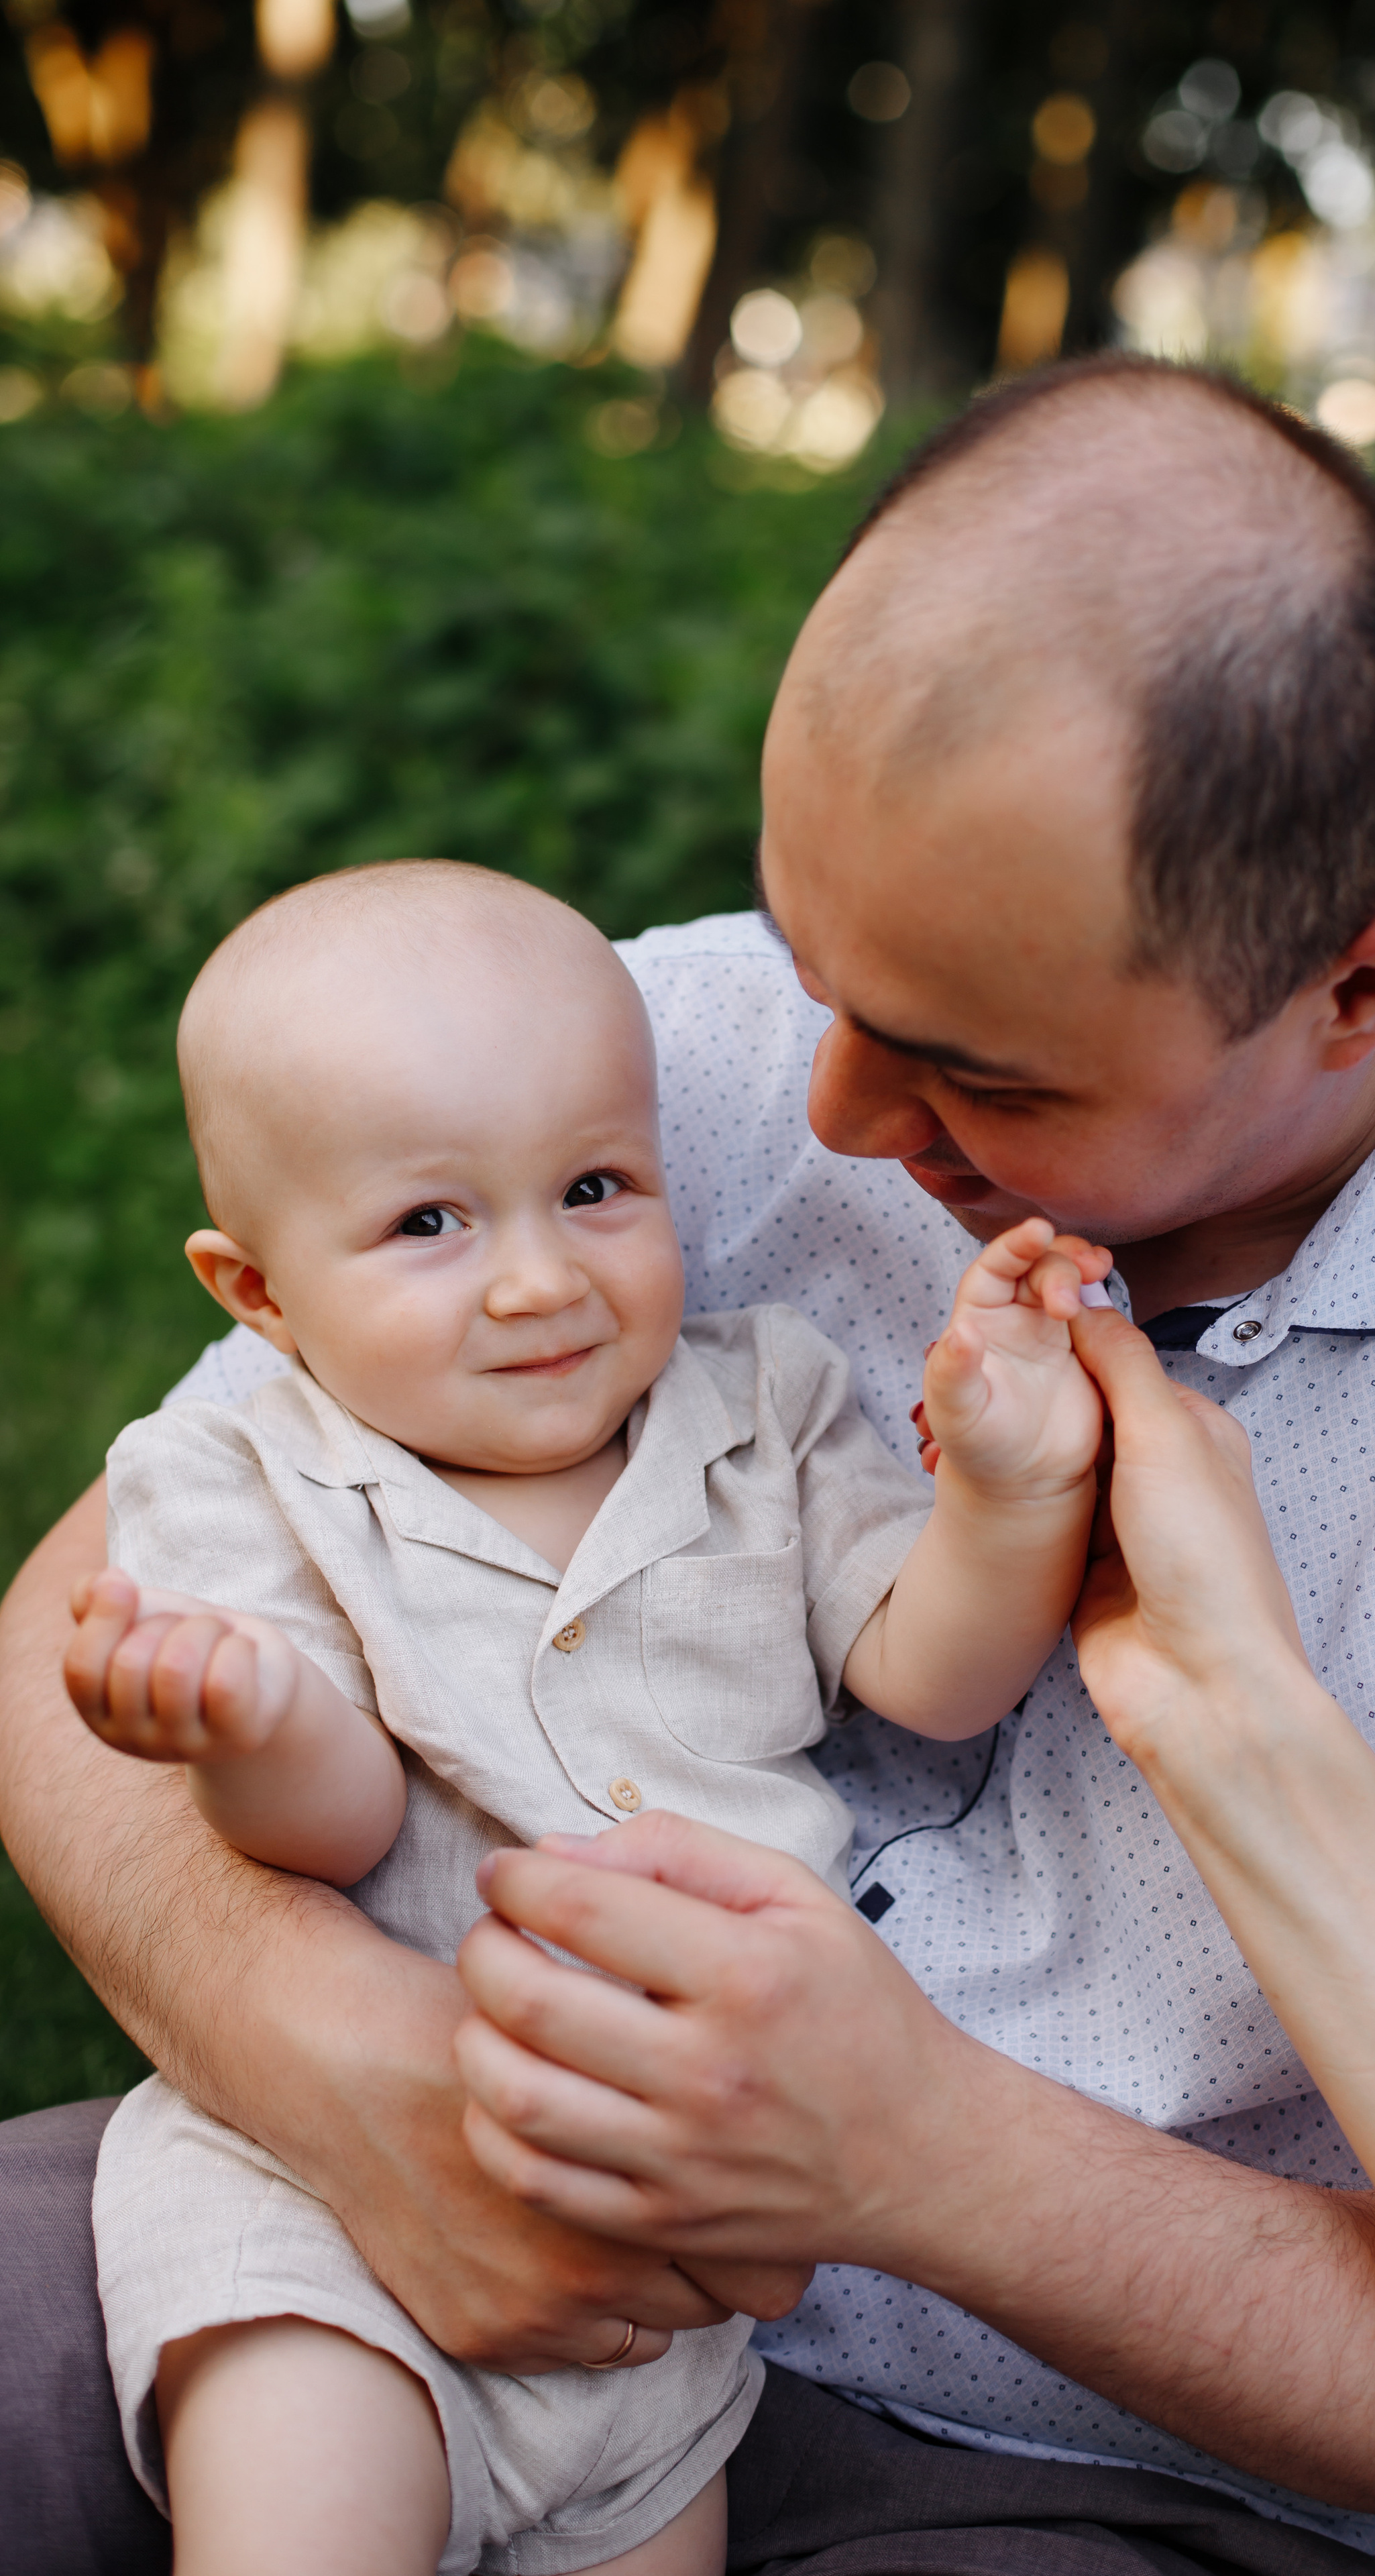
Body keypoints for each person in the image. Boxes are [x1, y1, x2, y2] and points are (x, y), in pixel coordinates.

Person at [4, 354, 1375, 2575]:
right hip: (372, 2235)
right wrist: (347, 2067)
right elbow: (77, 1622)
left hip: (1100, 2478)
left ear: (1360, 993)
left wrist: (924, 2168)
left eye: (972, 1077)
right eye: (809, 965)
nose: (815, 1113)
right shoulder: (641, 1072)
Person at [62, 859, 1111, 2576]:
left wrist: (1004, 1485)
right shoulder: (240, 1478)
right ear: (253, 1294)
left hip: (664, 2305)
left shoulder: (760, 1406)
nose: (541, 1280)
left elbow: (935, 1672)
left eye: (594, 1188)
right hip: (323, 2215)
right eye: (430, 1223)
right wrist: (245, 1717)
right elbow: (330, 1831)